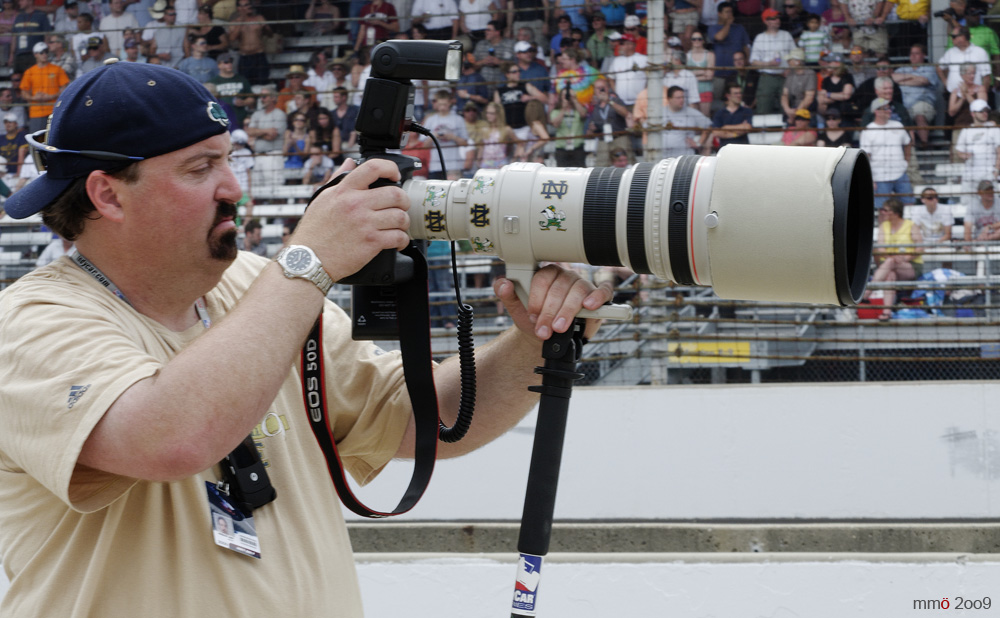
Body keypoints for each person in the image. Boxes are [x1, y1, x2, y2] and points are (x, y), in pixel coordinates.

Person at [0, 62, 611, 616]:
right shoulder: (32, 322)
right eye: (199, 168)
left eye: (228, 158)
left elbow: (431, 417)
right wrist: (308, 262)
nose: (232, 187)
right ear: (107, 194)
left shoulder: (254, 285)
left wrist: (536, 337)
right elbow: (172, 438)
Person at [868, 197, 923, 319]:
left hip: (910, 266)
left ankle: (867, 292)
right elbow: (881, 248)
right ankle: (886, 312)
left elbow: (920, 248)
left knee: (891, 261)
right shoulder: (884, 226)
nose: (882, 212)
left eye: (885, 210)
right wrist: (892, 257)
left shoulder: (911, 225)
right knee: (889, 276)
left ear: (896, 212)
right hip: (889, 266)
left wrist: (905, 258)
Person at [860, 97, 912, 211]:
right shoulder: (868, 130)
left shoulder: (898, 125)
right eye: (885, 108)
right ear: (876, 111)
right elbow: (866, 157)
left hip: (900, 172)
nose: (889, 110)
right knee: (883, 210)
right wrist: (871, 179)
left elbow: (908, 143)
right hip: (879, 176)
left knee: (909, 206)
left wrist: (906, 162)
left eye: (889, 108)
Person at [635, 85, 711, 155]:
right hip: (662, 157)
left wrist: (699, 143)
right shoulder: (659, 113)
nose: (682, 100)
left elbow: (708, 126)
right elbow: (646, 128)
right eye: (678, 98)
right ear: (669, 99)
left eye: (683, 97)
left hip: (684, 157)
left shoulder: (691, 112)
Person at [955, 99, 1000, 209]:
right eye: (981, 111)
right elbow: (959, 151)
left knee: (993, 205)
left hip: (989, 174)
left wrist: (996, 171)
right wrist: (965, 155)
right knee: (968, 205)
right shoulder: (965, 131)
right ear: (973, 113)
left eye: (986, 111)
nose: (985, 113)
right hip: (970, 175)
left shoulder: (994, 129)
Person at [749, 8, 796, 114]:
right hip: (767, 77)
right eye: (773, 18)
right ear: (766, 21)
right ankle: (762, 130)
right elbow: (753, 62)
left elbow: (795, 57)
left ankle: (787, 129)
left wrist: (790, 69)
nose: (777, 20)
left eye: (778, 18)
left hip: (785, 77)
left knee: (786, 108)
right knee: (763, 107)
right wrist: (769, 63)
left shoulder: (786, 35)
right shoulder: (759, 38)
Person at [892, 44, 940, 148]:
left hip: (922, 102)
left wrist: (903, 80)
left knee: (919, 113)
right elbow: (893, 78)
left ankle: (924, 144)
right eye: (911, 53)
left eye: (916, 53)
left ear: (924, 55)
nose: (913, 56)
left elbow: (923, 81)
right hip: (903, 104)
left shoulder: (929, 68)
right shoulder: (902, 69)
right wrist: (913, 77)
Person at [420, 88, 469, 180]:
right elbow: (423, 145)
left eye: (445, 104)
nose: (442, 107)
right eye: (440, 104)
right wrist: (434, 136)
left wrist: (452, 137)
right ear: (436, 103)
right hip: (435, 165)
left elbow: (465, 143)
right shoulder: (430, 120)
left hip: (454, 165)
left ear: (450, 103)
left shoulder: (458, 119)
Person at [21, 42, 70, 133]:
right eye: (41, 52)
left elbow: (65, 88)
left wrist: (51, 96)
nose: (45, 54)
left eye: (46, 52)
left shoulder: (57, 69)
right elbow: (23, 92)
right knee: (37, 140)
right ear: (35, 54)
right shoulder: (30, 72)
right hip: (36, 112)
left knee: (54, 140)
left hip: (54, 110)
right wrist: (33, 98)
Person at [583, 77, 632, 166]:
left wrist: (609, 101)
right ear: (594, 90)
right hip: (603, 138)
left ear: (607, 88)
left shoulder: (615, 100)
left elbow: (626, 113)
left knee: (625, 163)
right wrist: (591, 128)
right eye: (598, 88)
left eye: (603, 87)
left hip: (619, 136)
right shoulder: (594, 106)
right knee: (601, 165)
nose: (601, 90)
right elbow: (590, 128)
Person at [709, 2, 751, 106]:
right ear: (719, 13)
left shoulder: (739, 28)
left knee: (738, 102)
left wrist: (746, 61)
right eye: (726, 12)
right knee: (717, 102)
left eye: (731, 12)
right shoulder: (713, 28)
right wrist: (728, 24)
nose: (729, 14)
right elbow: (720, 37)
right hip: (719, 74)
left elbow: (746, 46)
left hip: (736, 74)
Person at [227, 0, 271, 85]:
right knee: (246, 84)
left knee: (263, 82)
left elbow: (270, 34)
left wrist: (266, 27)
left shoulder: (259, 18)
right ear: (239, 8)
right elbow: (232, 39)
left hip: (259, 56)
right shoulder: (234, 23)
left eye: (249, 4)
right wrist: (241, 21)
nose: (249, 7)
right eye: (246, 5)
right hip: (245, 58)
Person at [471, 20, 516, 100]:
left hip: (503, 85)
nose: (486, 32)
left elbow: (517, 65)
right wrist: (483, 62)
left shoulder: (511, 44)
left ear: (497, 32)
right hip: (484, 86)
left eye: (489, 30)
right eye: (486, 30)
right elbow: (473, 66)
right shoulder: (481, 44)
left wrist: (499, 62)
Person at [209, 53, 254, 129]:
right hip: (221, 120)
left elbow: (252, 98)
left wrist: (243, 102)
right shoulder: (213, 82)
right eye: (226, 62)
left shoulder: (241, 79)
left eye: (231, 62)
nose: (229, 64)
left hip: (240, 119)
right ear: (219, 65)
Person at [606, 33, 648, 107]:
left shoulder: (644, 59)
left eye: (622, 44)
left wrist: (645, 92)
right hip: (620, 103)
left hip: (639, 102)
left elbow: (651, 78)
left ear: (631, 45)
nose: (619, 46)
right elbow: (610, 78)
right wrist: (616, 92)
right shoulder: (616, 60)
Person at [711, 81, 754, 150]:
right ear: (728, 96)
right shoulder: (720, 113)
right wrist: (737, 133)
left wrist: (725, 127)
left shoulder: (747, 111)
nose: (739, 95)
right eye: (736, 93)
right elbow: (716, 133)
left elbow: (747, 127)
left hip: (743, 148)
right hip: (725, 149)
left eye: (740, 93)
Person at [246, 85, 286, 154]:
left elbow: (271, 136)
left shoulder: (280, 114)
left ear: (273, 98)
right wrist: (267, 131)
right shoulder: (256, 114)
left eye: (264, 96)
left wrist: (257, 133)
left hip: (274, 154)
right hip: (258, 153)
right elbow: (249, 132)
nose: (262, 99)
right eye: (261, 96)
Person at [229, 128, 254, 222]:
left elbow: (248, 173)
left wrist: (249, 191)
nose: (240, 145)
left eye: (242, 143)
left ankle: (246, 226)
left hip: (243, 187)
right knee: (233, 206)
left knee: (249, 204)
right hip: (231, 186)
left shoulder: (247, 152)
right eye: (238, 143)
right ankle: (236, 227)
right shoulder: (227, 152)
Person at [0, 111, 26, 177]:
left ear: (16, 124)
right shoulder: (1, 138)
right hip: (3, 174)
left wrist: (18, 174)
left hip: (17, 173)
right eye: (6, 122)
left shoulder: (21, 136)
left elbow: (21, 155)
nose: (8, 124)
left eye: (10, 122)